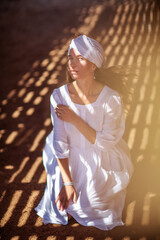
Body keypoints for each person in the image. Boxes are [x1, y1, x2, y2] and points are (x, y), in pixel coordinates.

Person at [35, 35, 133, 231]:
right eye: (70, 57)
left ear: (93, 65)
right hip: (68, 159)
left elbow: (105, 142)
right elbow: (60, 143)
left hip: (102, 156)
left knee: (95, 204)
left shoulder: (111, 98)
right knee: (65, 205)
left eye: (80, 58)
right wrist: (67, 182)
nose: (72, 63)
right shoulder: (59, 96)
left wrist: (75, 119)